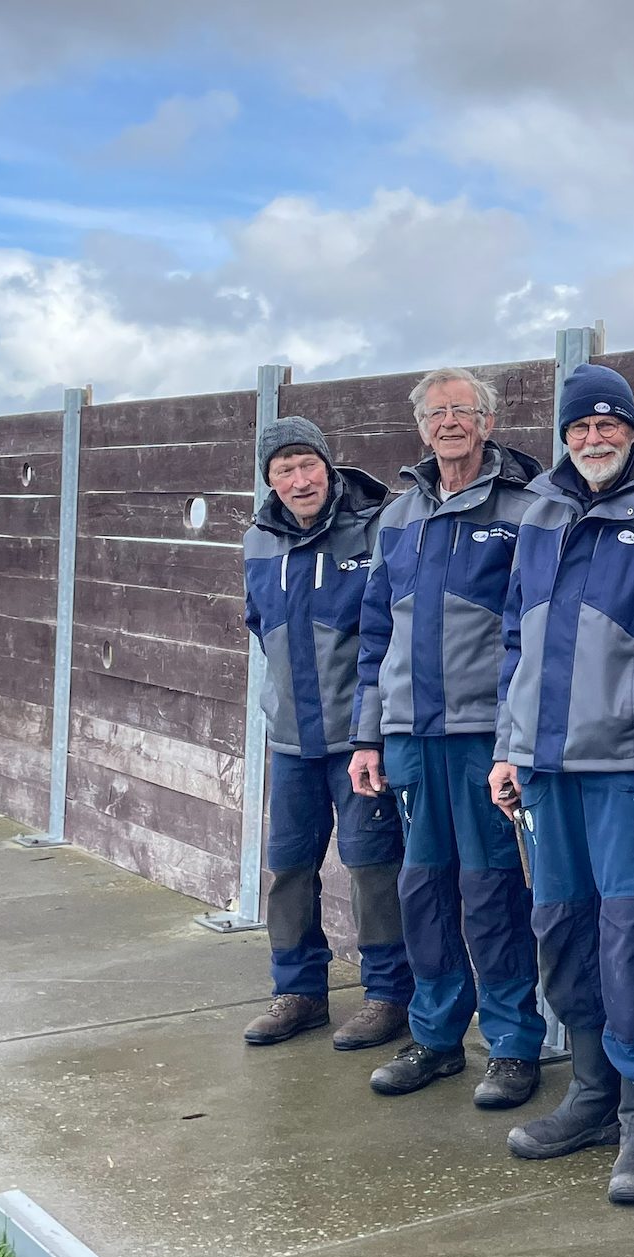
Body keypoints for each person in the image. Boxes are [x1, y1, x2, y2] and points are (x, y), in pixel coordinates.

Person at [491, 363, 634, 1204]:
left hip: (627, 772)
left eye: (610, 424)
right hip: (545, 768)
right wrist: (509, 745)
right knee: (561, 931)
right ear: (564, 434)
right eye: (580, 426)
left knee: (632, 942)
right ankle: (590, 1098)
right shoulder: (539, 509)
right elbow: (515, 637)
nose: (594, 437)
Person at [348, 367, 549, 1109]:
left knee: (492, 890)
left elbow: (531, 629)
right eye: (436, 413)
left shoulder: (525, 510)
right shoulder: (398, 517)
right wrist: (367, 736)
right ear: (421, 428)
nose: (449, 423)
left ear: (488, 422)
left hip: (481, 737)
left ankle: (512, 1045)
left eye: (463, 410)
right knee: (423, 889)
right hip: (408, 735)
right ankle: (435, 1037)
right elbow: (375, 630)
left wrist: (513, 738)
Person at [238, 415, 412, 1051]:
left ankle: (389, 994)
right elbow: (261, 624)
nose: (299, 479)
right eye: (283, 470)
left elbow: (390, 630)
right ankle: (299, 991)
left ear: (329, 466)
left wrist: (373, 728)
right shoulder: (258, 542)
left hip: (357, 739)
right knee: (288, 867)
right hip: (289, 740)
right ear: (270, 481)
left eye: (307, 464)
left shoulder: (374, 528)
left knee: (372, 867)